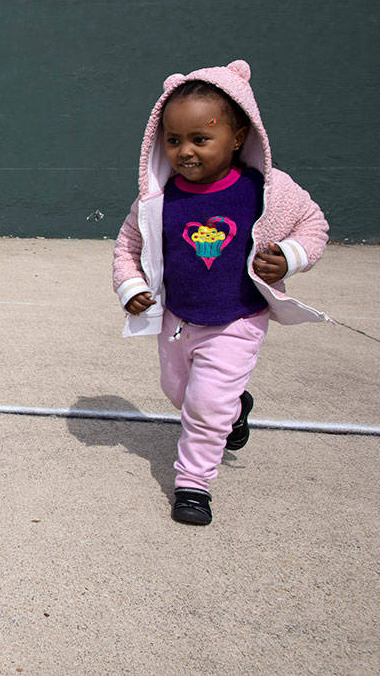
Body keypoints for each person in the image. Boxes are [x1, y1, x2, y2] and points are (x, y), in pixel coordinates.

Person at [112, 60, 329, 527]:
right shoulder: (159, 198)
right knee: (179, 393)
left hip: (238, 318)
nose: (185, 152)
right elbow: (129, 244)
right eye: (173, 140)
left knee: (206, 405)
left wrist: (290, 255)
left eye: (200, 139)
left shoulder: (265, 190)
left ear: (237, 137)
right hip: (178, 320)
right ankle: (234, 408)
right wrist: (131, 285)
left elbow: (314, 225)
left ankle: (193, 484)